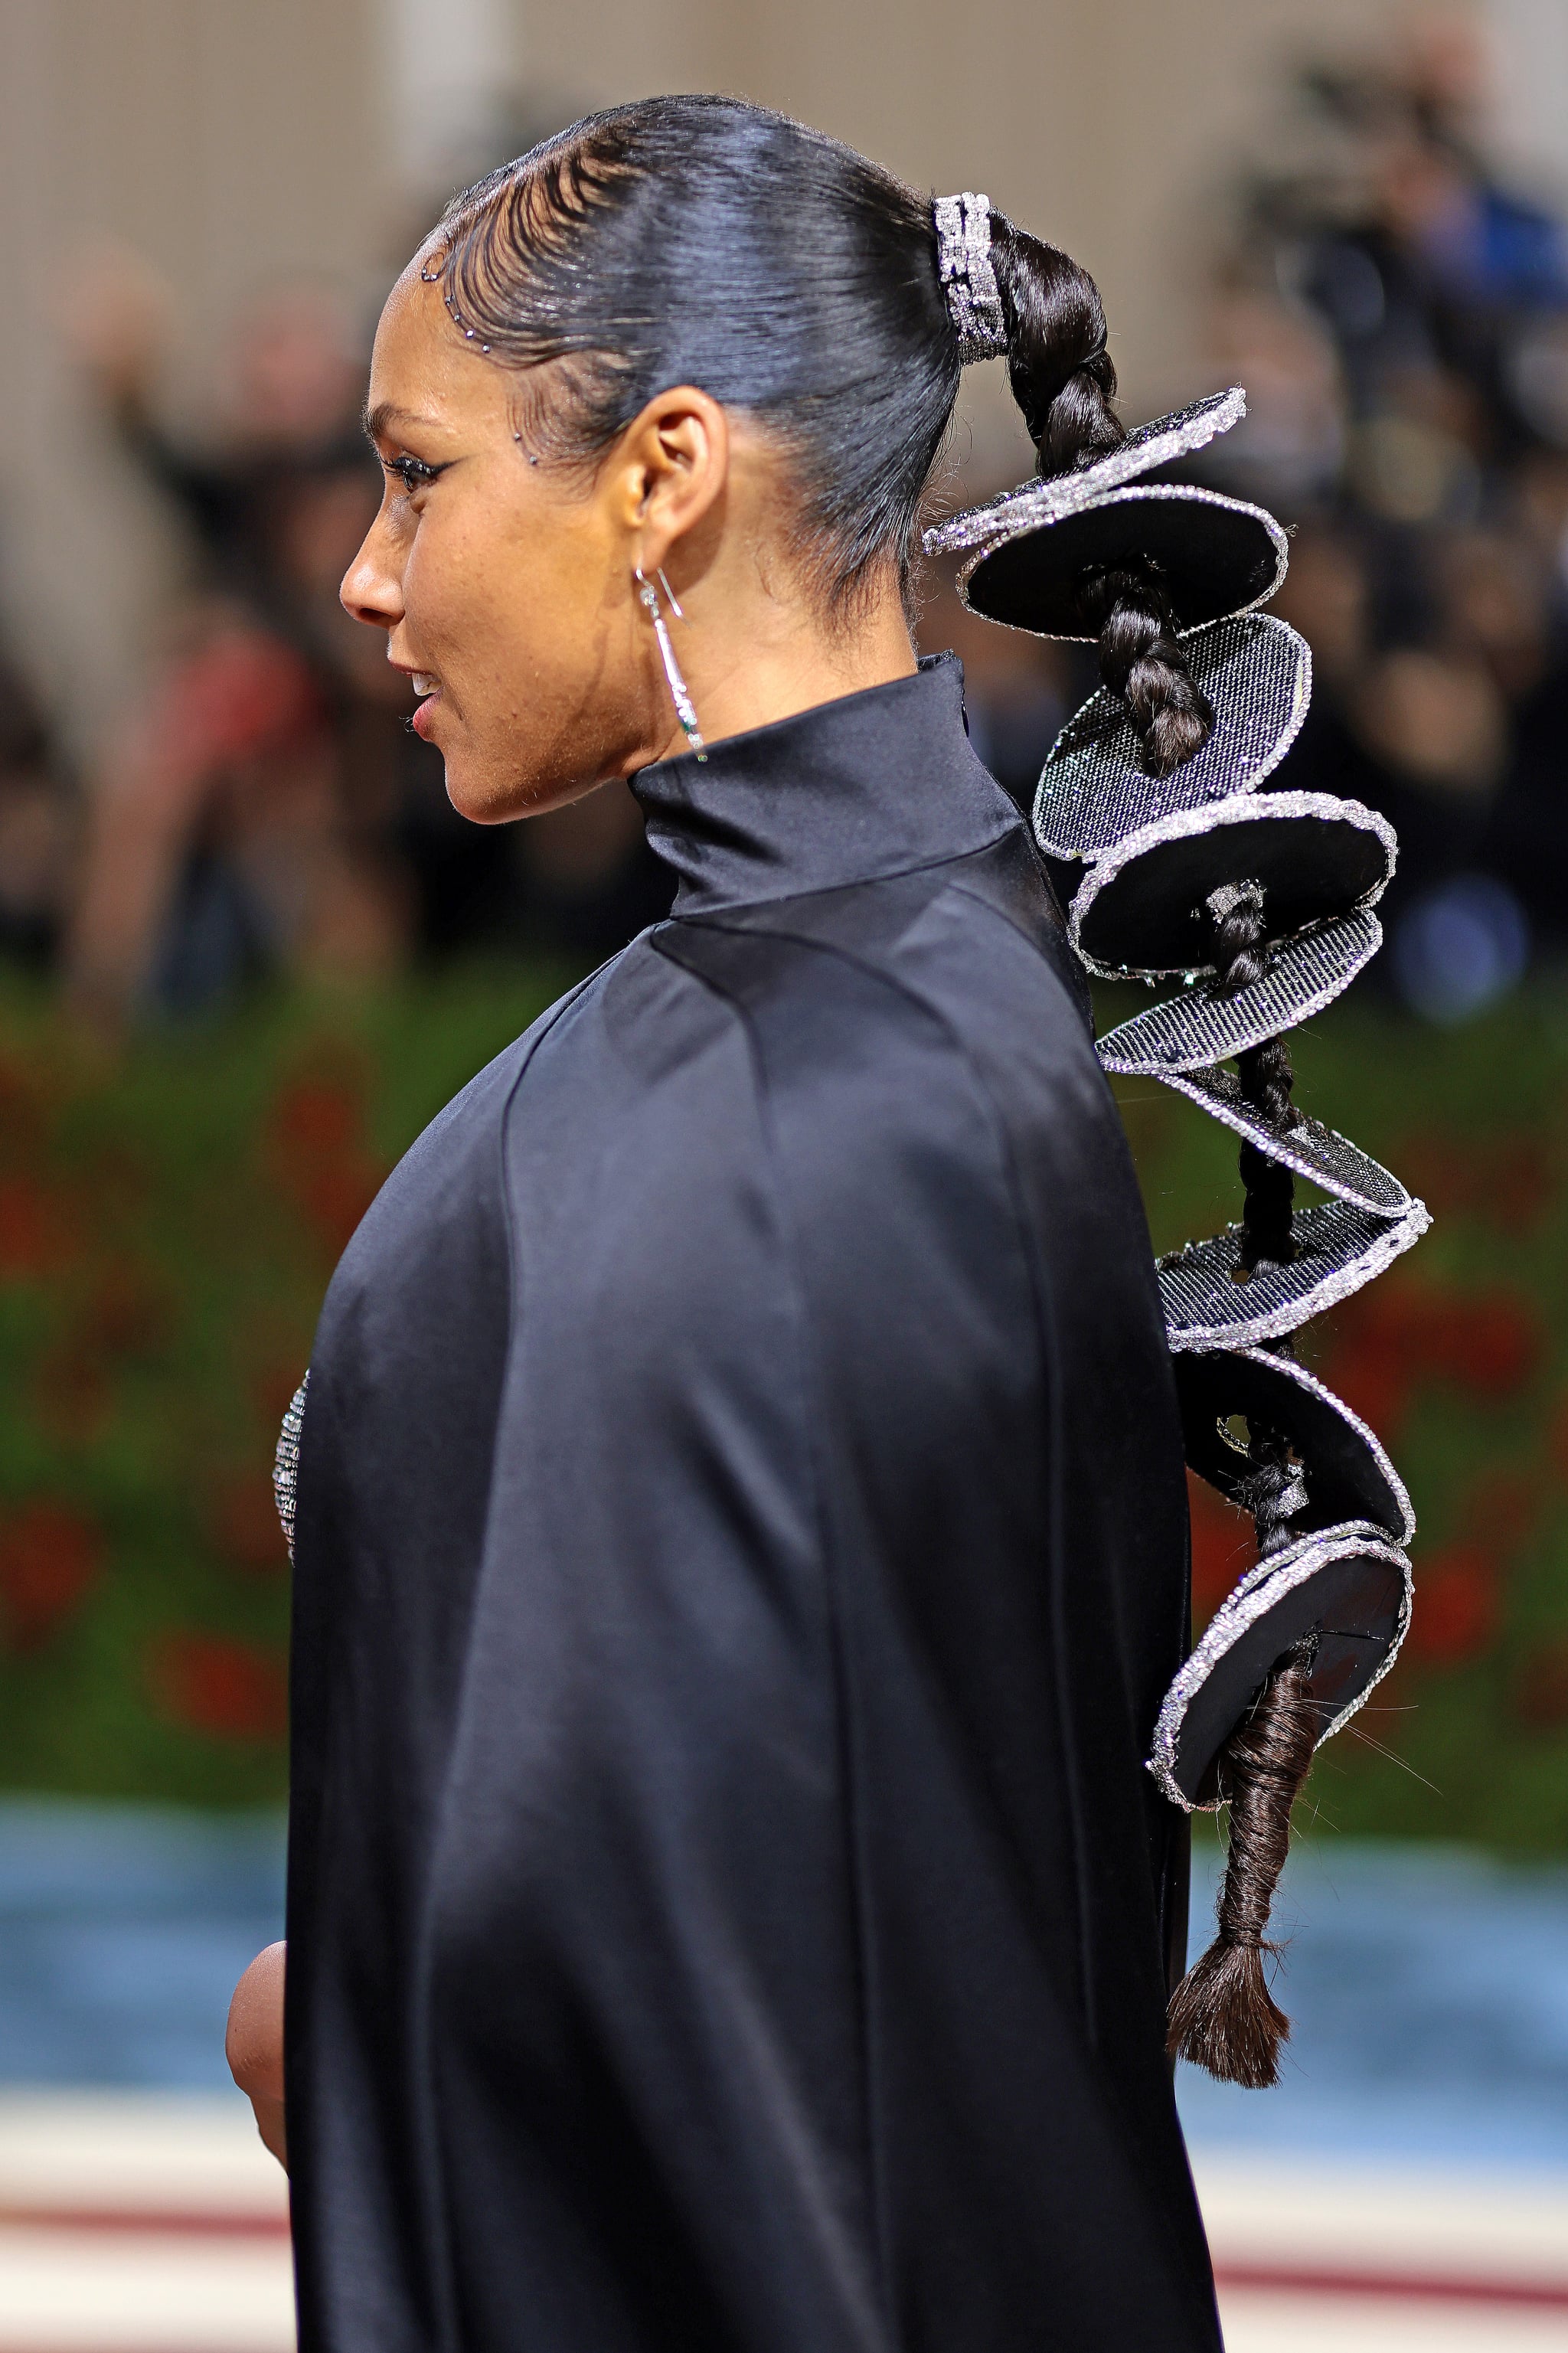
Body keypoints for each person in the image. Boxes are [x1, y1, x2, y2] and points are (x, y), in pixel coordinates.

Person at [227, 96, 1221, 2351]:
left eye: (418, 473)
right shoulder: (951, 998)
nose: (369, 573)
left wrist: (332, 2026)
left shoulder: (732, 1113)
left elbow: (645, 2015)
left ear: (666, 470)